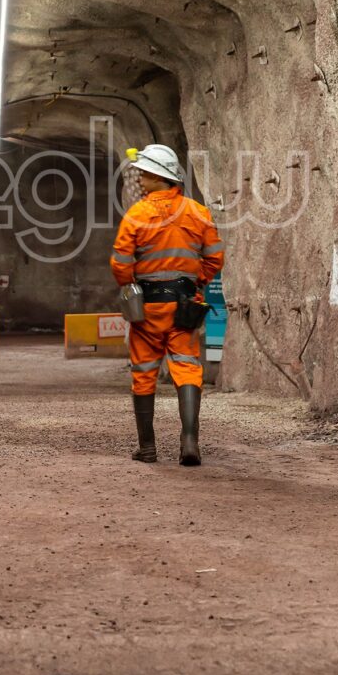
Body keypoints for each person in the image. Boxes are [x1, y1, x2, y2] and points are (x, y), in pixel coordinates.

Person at [110, 144, 224, 465]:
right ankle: (190, 443)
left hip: (147, 308)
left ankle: (147, 449)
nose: (141, 178)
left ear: (160, 177)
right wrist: (195, 282)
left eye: (145, 173)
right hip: (185, 306)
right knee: (187, 367)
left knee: (144, 372)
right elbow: (215, 257)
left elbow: (120, 262)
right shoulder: (198, 212)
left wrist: (129, 285)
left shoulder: (137, 214)